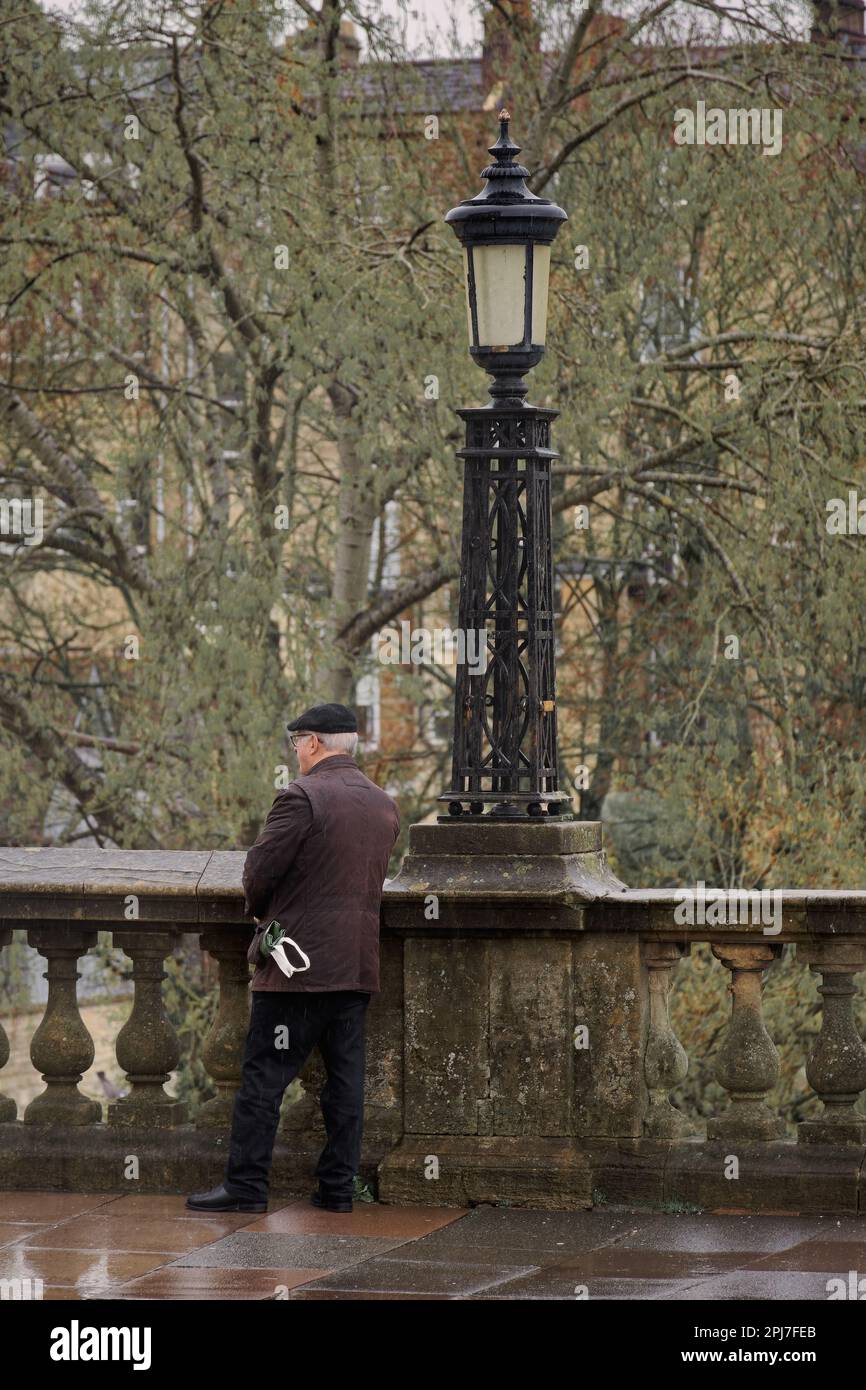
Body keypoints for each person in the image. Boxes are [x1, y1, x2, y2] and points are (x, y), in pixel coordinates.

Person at [187, 702, 400, 1214]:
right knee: (345, 1086)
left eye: (297, 743)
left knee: (263, 1078)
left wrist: (264, 916)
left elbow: (257, 875)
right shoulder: (383, 804)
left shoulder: (301, 797)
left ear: (312, 743)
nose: (297, 753)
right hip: (355, 968)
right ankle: (336, 1190)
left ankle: (245, 1188)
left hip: (295, 966)